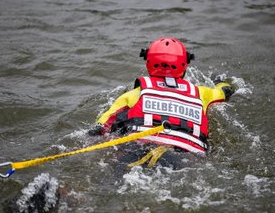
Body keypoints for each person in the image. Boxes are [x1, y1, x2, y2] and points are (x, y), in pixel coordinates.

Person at [88, 37, 236, 169]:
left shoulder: (133, 94)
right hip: (184, 158)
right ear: (185, 64)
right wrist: (220, 83)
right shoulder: (202, 93)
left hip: (135, 150)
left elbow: (101, 125)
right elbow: (224, 92)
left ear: (148, 61)